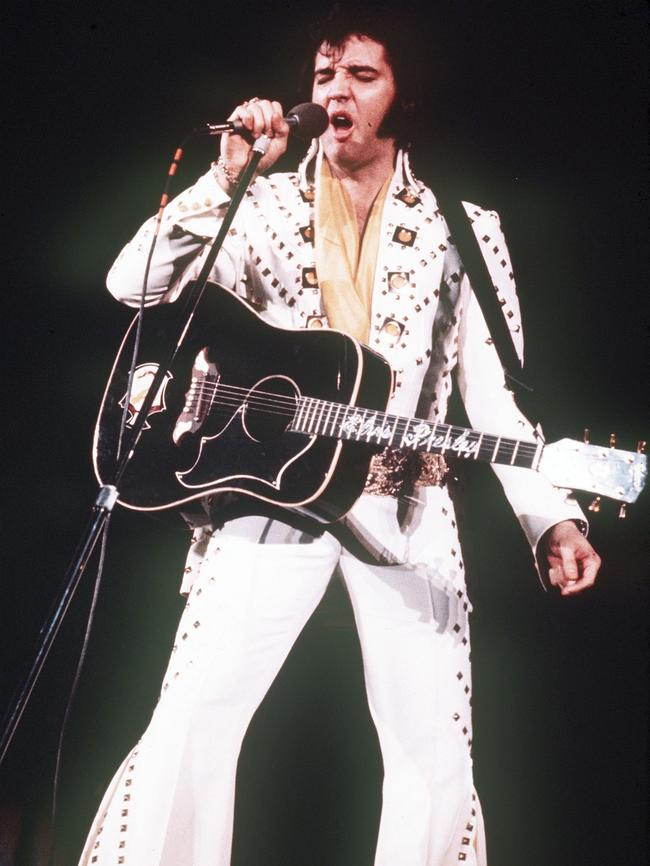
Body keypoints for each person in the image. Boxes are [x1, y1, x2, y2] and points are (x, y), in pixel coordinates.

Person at [79, 6, 601, 865]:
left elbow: (496, 402)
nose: (335, 92)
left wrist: (553, 518)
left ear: (402, 96)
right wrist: (224, 180)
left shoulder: (464, 229)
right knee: (193, 719)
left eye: (361, 75)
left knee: (431, 756)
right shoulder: (259, 202)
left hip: (408, 502)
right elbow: (129, 283)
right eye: (324, 75)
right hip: (270, 488)